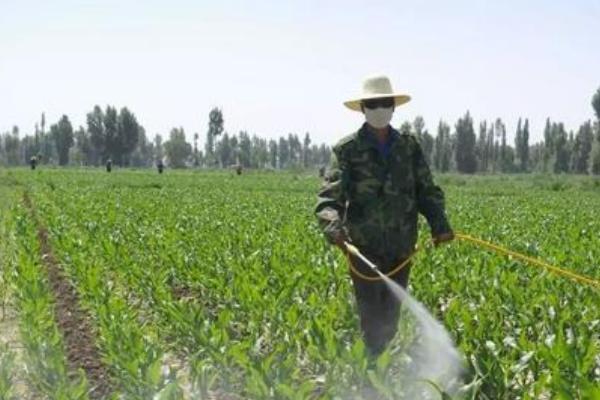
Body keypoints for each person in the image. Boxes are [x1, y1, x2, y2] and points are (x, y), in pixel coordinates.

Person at [315, 75, 454, 355]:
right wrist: (334, 227)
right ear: (363, 109)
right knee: (371, 316)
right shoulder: (347, 150)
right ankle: (371, 373)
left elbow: (426, 190)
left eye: (384, 103)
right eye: (373, 104)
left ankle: (381, 368)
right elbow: (329, 198)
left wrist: (440, 224)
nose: (379, 109)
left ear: (393, 107)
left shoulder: (409, 147)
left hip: (402, 246)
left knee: (390, 316)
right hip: (363, 248)